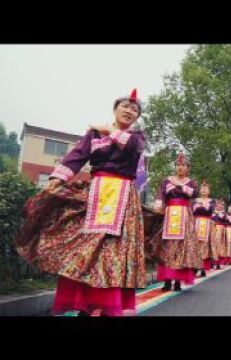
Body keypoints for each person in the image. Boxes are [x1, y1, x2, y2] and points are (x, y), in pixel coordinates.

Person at [16, 89, 146, 316]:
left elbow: (133, 149)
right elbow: (76, 156)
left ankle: (104, 305)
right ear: (115, 109)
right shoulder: (94, 136)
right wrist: (57, 179)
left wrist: (110, 130)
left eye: (134, 110)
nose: (129, 111)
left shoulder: (137, 137)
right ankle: (84, 303)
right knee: (83, 247)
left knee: (112, 251)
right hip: (94, 195)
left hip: (124, 199)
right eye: (125, 106)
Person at [150, 152, 201, 292]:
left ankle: (177, 281)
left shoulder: (191, 182)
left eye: (182, 165)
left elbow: (195, 194)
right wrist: (157, 207)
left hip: (184, 216)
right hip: (169, 216)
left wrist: (180, 186)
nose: (179, 167)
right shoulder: (167, 181)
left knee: (180, 248)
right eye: (177, 165)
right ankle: (167, 281)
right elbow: (160, 196)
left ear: (187, 168)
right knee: (166, 247)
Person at [192, 180, 215, 277]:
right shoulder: (195, 200)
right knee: (194, 244)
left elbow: (209, 209)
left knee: (205, 245)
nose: (204, 190)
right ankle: (194, 266)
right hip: (195, 223)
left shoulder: (212, 201)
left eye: (206, 188)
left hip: (206, 224)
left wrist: (201, 207)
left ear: (209, 191)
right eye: (202, 188)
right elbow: (194, 209)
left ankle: (203, 267)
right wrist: (201, 206)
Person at [211, 199, 228, 269]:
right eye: (218, 205)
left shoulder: (224, 213)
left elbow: (224, 219)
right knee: (213, 244)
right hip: (213, 229)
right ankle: (213, 261)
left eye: (221, 205)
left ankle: (218, 262)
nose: (219, 206)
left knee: (219, 245)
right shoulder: (213, 213)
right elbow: (211, 219)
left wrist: (217, 214)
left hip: (221, 230)